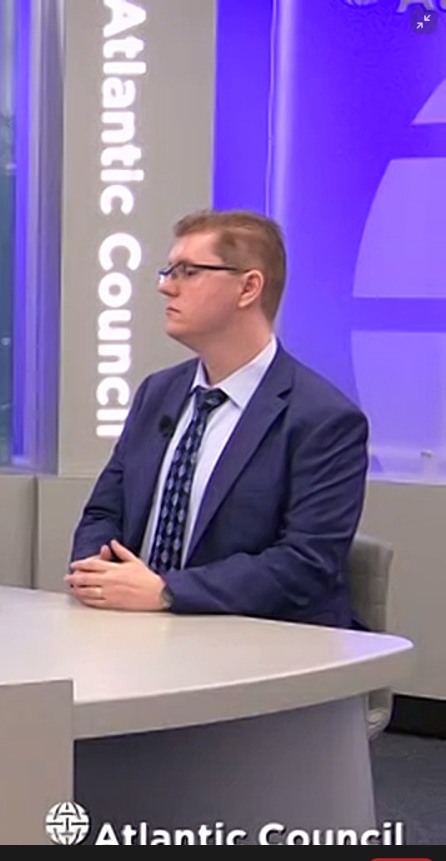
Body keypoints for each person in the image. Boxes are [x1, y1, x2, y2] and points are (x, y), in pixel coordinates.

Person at [67, 210, 369, 627]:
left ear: (248, 288)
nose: (166, 286)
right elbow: (103, 513)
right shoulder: (157, 393)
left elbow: (305, 563)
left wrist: (167, 591)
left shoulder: (324, 419)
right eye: (168, 271)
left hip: (266, 643)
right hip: (136, 632)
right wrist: (99, 574)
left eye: (188, 272)